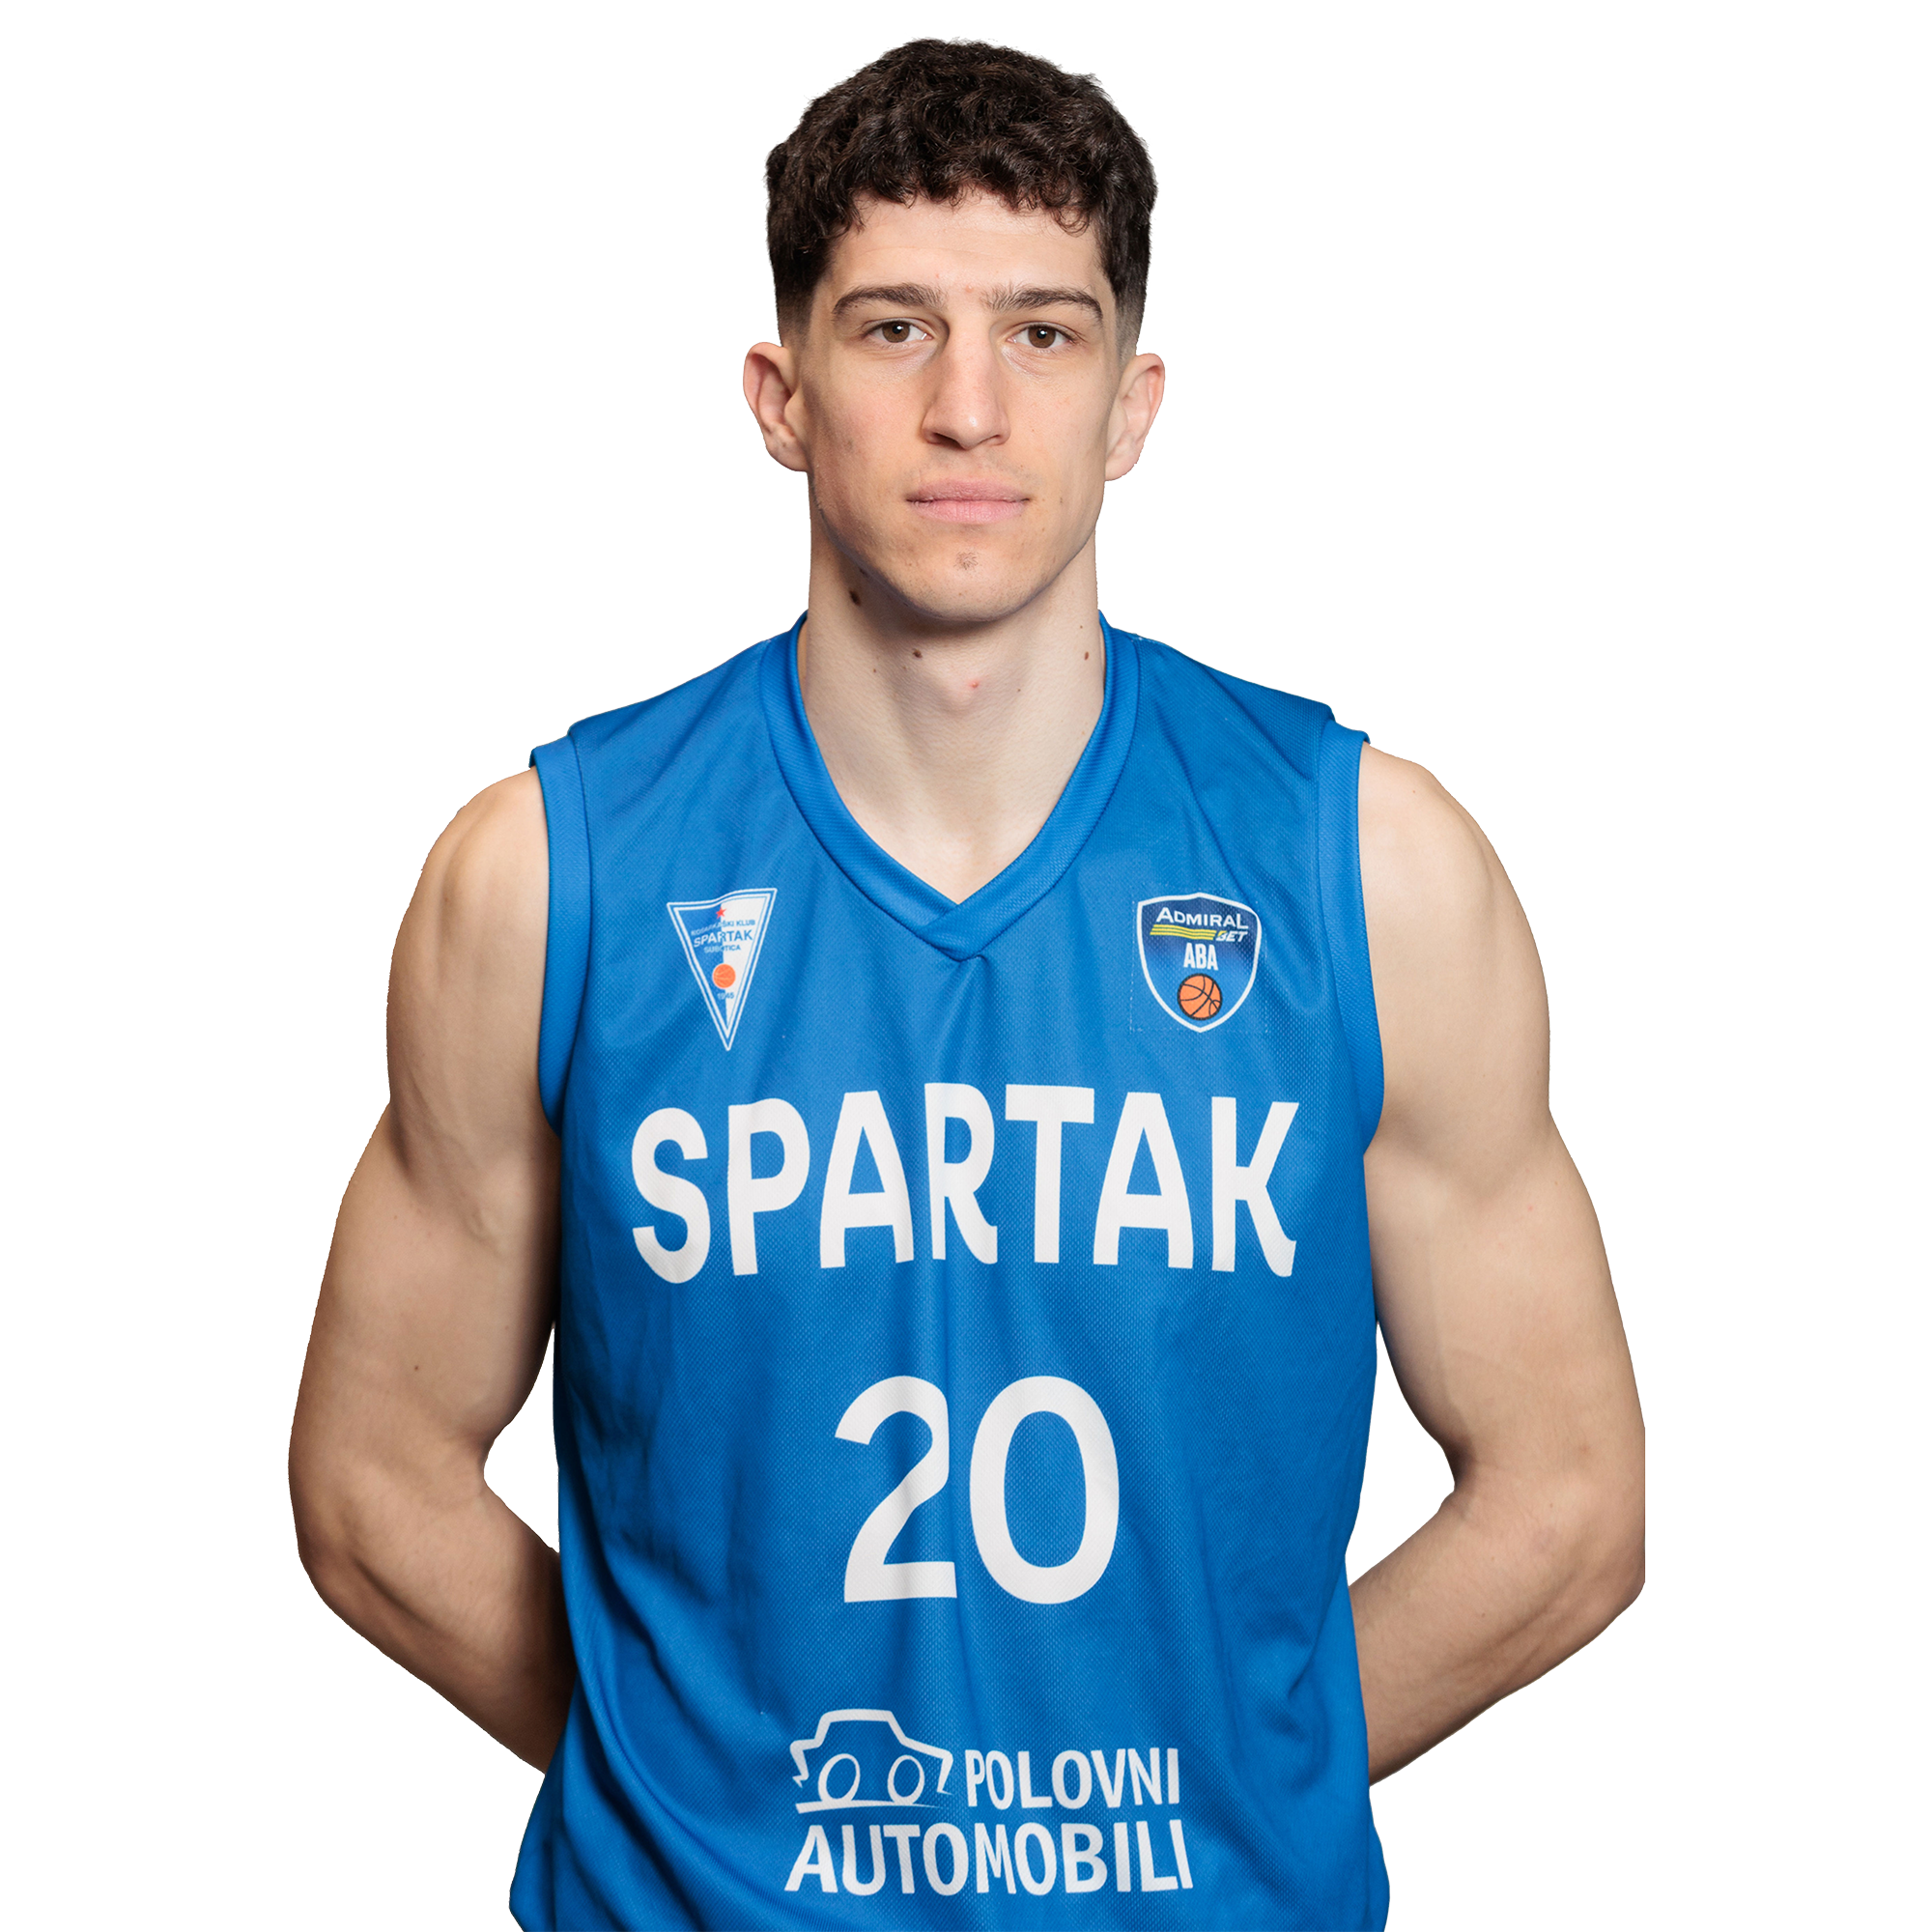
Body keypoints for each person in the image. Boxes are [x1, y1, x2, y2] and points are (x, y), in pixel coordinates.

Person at [289, 36, 1643, 1931]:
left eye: (1043, 333)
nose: (969, 409)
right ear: (779, 397)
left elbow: (1567, 1502)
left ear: (1134, 404)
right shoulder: (540, 878)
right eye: (894, 329)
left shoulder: (1372, 869)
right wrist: (692, 1795)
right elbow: (373, 1485)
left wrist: (1225, 1778)